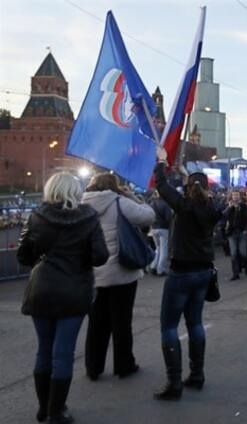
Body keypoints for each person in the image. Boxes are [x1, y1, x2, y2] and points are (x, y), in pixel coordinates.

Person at [18, 173, 109, 424]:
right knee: (63, 353)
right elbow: (100, 256)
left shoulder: (37, 217)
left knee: (43, 351)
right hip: (74, 290)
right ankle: (56, 411)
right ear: (75, 191)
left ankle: (43, 408)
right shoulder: (88, 218)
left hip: (42, 290)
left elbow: (24, 256)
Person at [153, 151, 221, 400]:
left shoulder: (183, 207)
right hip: (203, 272)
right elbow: (194, 190)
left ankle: (174, 383)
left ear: (189, 188)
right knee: (195, 323)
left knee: (169, 326)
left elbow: (161, 185)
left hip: (181, 273)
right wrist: (184, 173)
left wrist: (161, 162)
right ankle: (197, 375)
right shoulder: (213, 208)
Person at [81, 173, 156, 382]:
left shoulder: (82, 205)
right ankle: (124, 365)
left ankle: (93, 367)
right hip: (121, 272)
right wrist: (134, 197)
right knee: (122, 321)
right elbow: (148, 216)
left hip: (94, 273)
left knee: (96, 323)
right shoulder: (120, 202)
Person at [224, 190, 247, 280]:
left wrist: (246, 230)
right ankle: (235, 273)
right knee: (234, 253)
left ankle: (246, 265)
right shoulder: (229, 206)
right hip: (232, 233)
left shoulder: (244, 206)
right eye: (233, 195)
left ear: (240, 196)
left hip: (242, 232)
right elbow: (224, 216)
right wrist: (229, 207)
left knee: (243, 252)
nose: (235, 196)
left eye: (237, 195)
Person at [149, 190, 173, 276]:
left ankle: (153, 266)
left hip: (153, 228)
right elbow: (168, 218)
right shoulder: (165, 204)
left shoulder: (152, 203)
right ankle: (160, 270)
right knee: (163, 250)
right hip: (163, 228)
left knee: (158, 249)